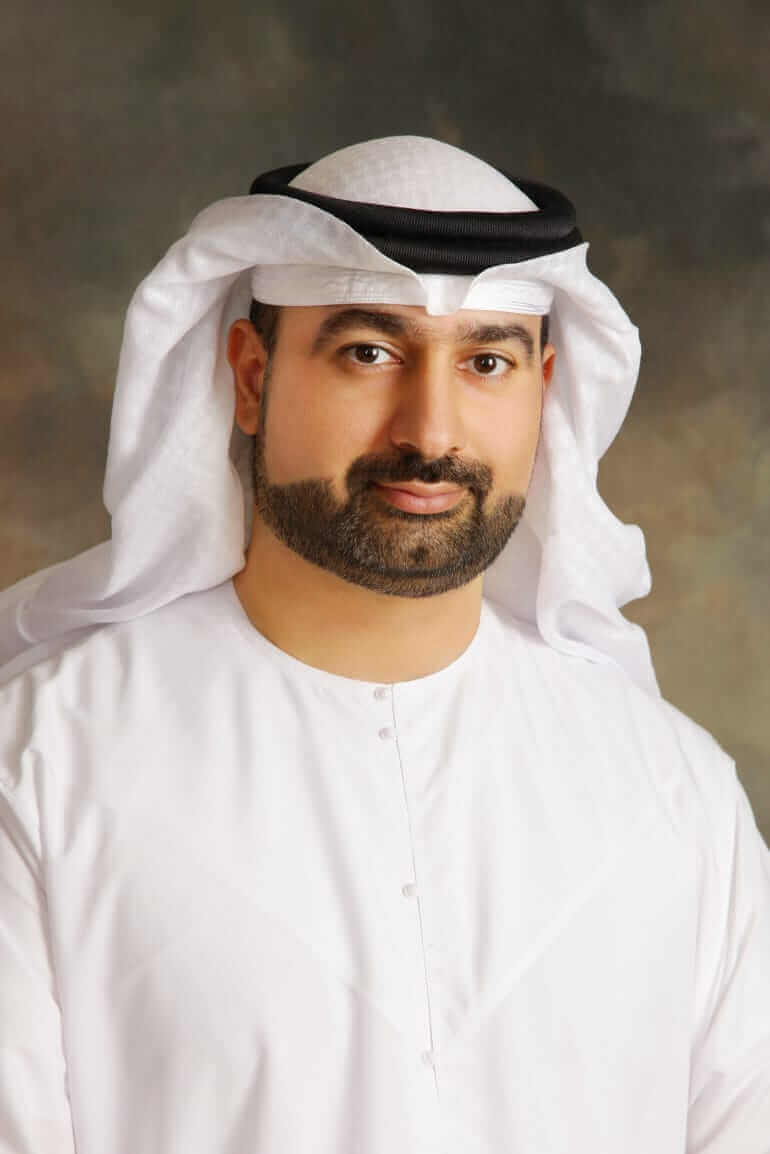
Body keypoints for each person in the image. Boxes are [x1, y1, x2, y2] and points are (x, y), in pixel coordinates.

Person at [0, 136, 767, 1154]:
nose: (430, 431)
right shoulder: (43, 762)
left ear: (543, 386)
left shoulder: (673, 792)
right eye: (370, 352)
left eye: (485, 362)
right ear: (250, 376)